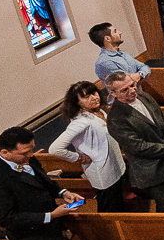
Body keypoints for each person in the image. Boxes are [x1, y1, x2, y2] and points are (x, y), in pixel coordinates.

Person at [105, 71, 164, 209]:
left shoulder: (143, 96)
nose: (132, 90)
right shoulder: (116, 118)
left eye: (132, 85)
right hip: (151, 169)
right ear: (113, 93)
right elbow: (138, 147)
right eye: (125, 90)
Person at [48, 80, 128, 209]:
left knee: (118, 201)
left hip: (114, 164)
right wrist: (77, 157)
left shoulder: (98, 111)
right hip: (102, 170)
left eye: (94, 93)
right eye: (86, 97)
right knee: (109, 206)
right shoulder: (81, 121)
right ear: (77, 102)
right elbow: (54, 149)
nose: (94, 97)